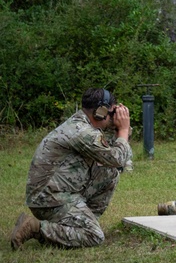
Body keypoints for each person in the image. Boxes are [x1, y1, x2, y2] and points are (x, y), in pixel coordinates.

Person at [9, 88, 132, 249]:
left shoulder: (84, 125)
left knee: (109, 173)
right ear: (100, 112)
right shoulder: (82, 131)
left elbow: (118, 162)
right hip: (47, 199)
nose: (114, 116)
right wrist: (123, 130)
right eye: (112, 112)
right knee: (94, 237)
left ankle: (82, 223)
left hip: (55, 192)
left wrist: (119, 130)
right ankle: (35, 227)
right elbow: (117, 158)